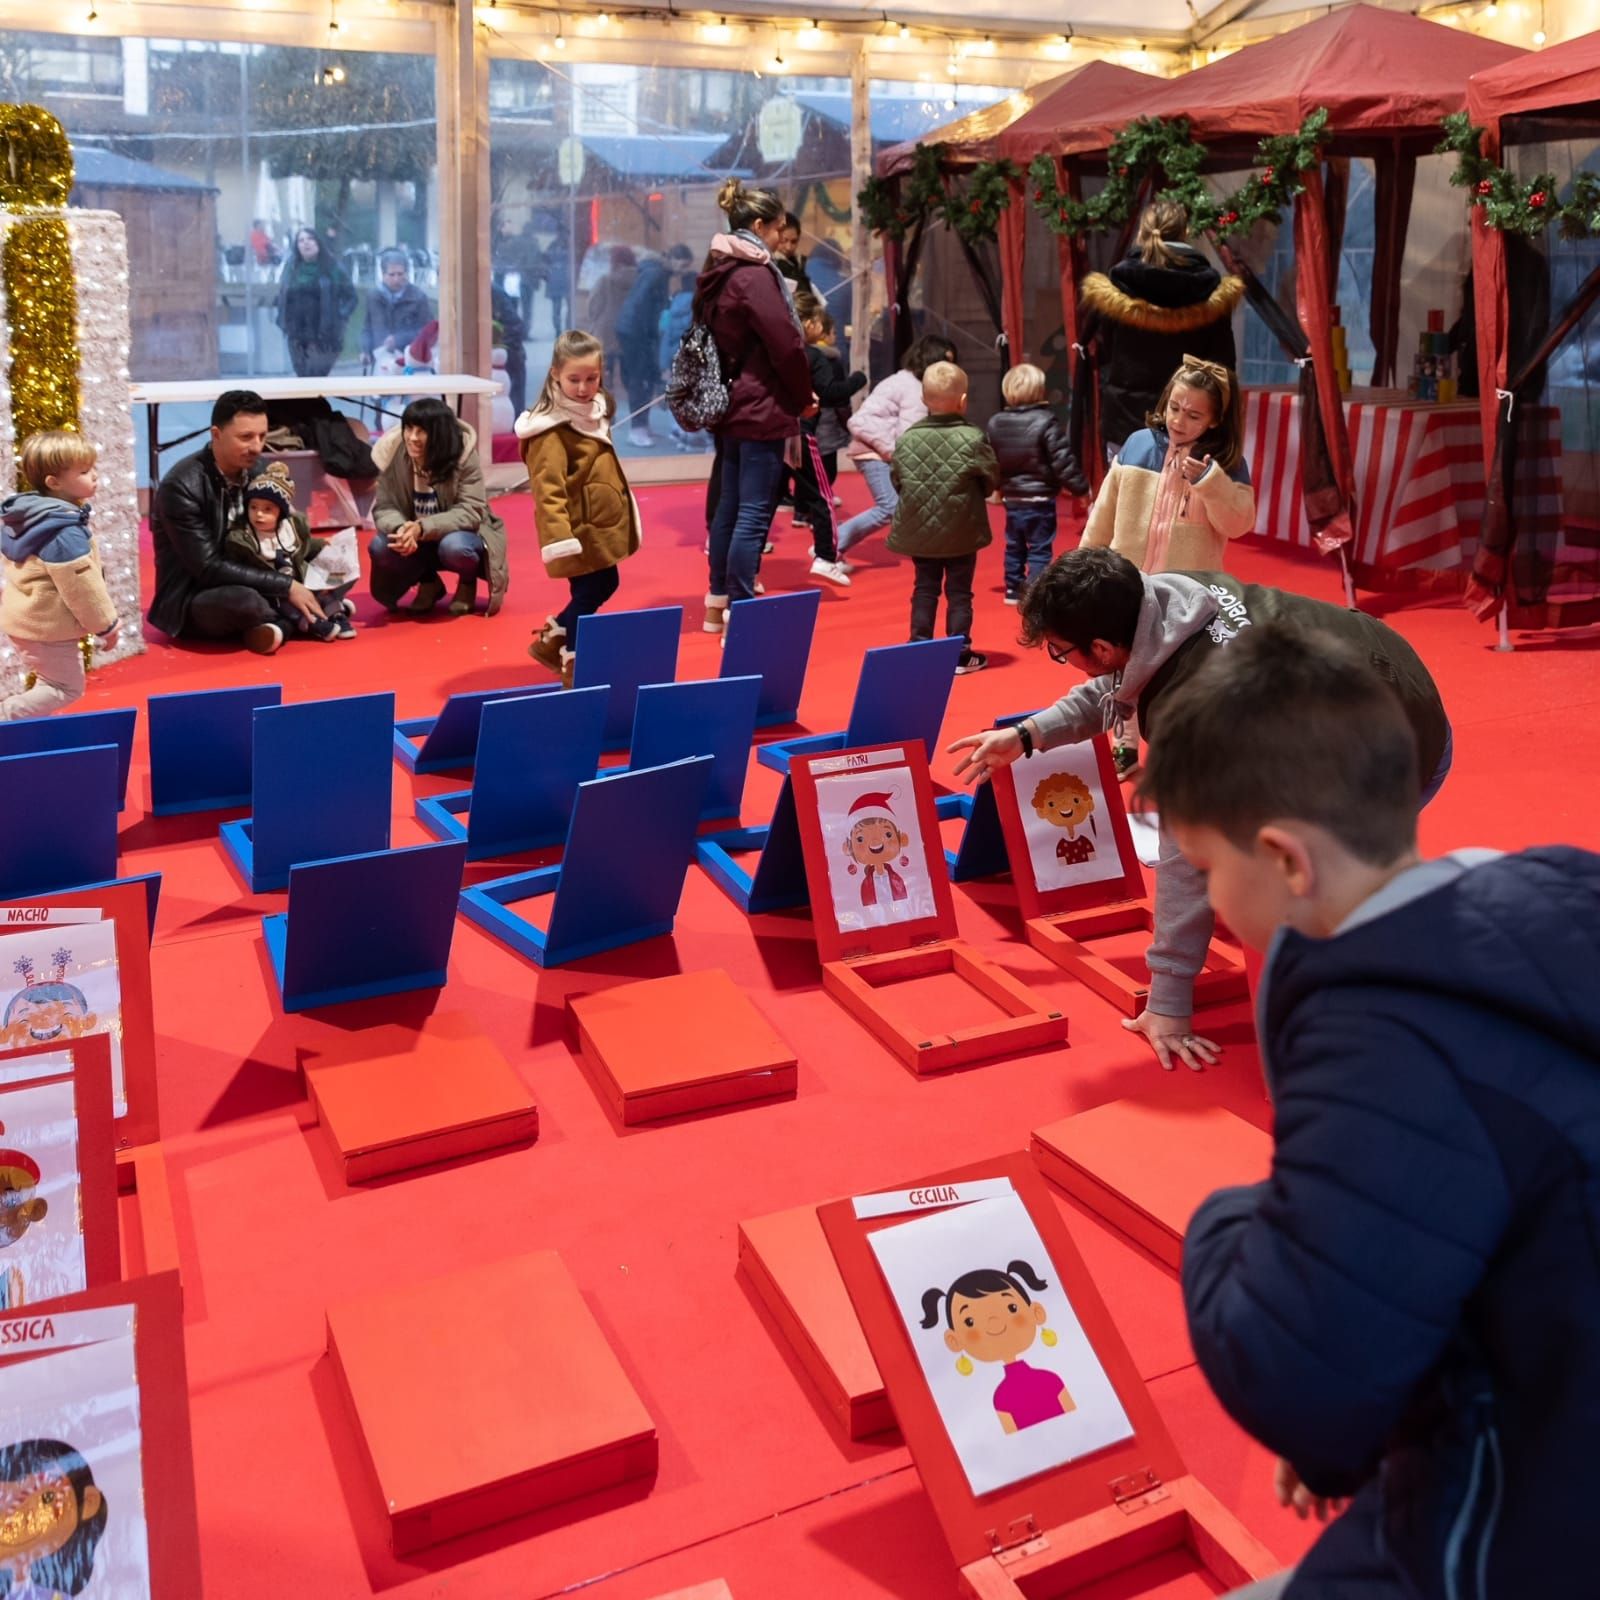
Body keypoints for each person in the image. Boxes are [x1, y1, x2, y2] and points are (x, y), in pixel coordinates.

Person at [1139, 625, 1600, 1600]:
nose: (1212, 901)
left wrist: (1226, 1217)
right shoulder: (1550, 907)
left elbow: (1299, 1377)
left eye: (1208, 869)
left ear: (1285, 859)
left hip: (1532, 1519)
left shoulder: (1382, 1031)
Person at [947, 548, 1450, 1069]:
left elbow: (1185, 859)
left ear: (1098, 645)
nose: (1061, 659)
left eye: (1059, 650)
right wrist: (1029, 734)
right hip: (1384, 669)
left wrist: (1167, 1001)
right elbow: (1121, 681)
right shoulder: (1168, 594)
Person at [694, 178, 815, 634]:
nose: (781, 240)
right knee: (752, 512)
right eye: (778, 230)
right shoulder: (753, 274)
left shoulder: (718, 267)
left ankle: (716, 604)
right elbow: (786, 345)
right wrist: (803, 398)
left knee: (728, 507)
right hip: (759, 404)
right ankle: (742, 616)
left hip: (728, 403)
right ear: (759, 225)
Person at [148, 390, 327, 653]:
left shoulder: (257, 469)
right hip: (197, 594)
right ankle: (303, 616)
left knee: (330, 561)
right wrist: (286, 585)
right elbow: (208, 568)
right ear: (216, 434)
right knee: (246, 602)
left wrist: (312, 549)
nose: (257, 446)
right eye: (246, 437)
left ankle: (281, 624)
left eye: (262, 436)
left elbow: (282, 529)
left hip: (255, 569)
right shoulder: (182, 485)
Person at [518, 330, 640, 688]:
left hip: (597, 523)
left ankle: (558, 641)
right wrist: (560, 537)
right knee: (598, 586)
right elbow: (548, 489)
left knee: (593, 589)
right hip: (575, 529)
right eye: (574, 379)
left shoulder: (591, 411)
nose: (584, 387)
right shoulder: (550, 429)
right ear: (555, 373)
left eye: (592, 378)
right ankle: (568, 653)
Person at [1080, 200, 1242, 457]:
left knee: (1129, 495)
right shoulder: (1210, 290)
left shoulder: (1118, 285)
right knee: (1180, 498)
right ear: (1185, 232)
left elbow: (1105, 352)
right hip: (1190, 423)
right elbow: (1222, 366)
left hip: (1125, 422)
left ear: (1143, 231)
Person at [1083, 356, 1254, 575]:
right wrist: (1082, 572)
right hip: (1126, 586)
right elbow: (1101, 520)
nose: (1177, 421)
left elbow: (1238, 526)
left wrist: (1211, 484)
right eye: (1174, 408)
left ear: (1215, 419)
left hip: (1188, 594)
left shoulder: (1226, 460)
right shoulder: (1137, 444)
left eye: (1193, 416)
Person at [886, 361, 997, 675]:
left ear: (923, 400)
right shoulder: (973, 438)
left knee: (924, 588)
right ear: (963, 401)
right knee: (960, 592)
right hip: (962, 529)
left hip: (920, 531)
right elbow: (990, 479)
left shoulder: (907, 439)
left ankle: (919, 646)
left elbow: (898, 479)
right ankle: (959, 653)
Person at [0, 431, 119, 719]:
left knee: (49, 681)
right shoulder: (63, 531)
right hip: (45, 626)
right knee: (65, 688)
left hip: (28, 620)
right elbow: (82, 589)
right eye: (84, 471)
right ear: (54, 482)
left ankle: (33, 733)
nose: (95, 476)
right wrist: (106, 625)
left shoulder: (34, 516)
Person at [369, 398, 508, 618]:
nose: (413, 437)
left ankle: (467, 583)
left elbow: (471, 511)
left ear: (440, 434)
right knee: (380, 545)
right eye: (409, 428)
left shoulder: (463, 455)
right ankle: (429, 582)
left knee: (455, 547)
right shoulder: (392, 455)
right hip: (415, 537)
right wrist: (402, 527)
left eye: (422, 431)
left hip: (462, 535)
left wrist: (422, 527)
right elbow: (384, 506)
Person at [838, 334, 957, 560]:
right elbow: (910, 434)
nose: (949, 368)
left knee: (901, 504)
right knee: (889, 507)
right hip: (874, 451)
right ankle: (830, 546)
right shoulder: (914, 388)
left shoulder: (906, 381)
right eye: (945, 362)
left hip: (879, 450)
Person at [985, 362, 1088, 605]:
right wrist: (1080, 489)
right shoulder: (1046, 421)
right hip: (1040, 498)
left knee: (1014, 544)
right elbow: (1063, 461)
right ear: (1040, 391)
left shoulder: (996, 423)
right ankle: (1034, 589)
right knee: (1040, 547)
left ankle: (1012, 587)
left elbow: (993, 462)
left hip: (1013, 499)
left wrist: (997, 488)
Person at [229, 461, 354, 647]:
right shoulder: (243, 539)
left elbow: (304, 546)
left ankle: (336, 613)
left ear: (281, 512)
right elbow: (238, 568)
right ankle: (312, 623)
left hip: (301, 579)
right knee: (289, 607)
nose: (259, 514)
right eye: (253, 507)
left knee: (328, 586)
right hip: (273, 591)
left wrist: (322, 544)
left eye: (267, 509)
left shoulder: (290, 529)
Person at [798, 301, 864, 586]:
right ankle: (826, 556)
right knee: (823, 495)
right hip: (805, 430)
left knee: (761, 501)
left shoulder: (778, 352)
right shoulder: (814, 356)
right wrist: (858, 380)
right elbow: (830, 393)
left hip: (776, 431)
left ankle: (745, 571)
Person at [616, 244, 692, 449]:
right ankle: (637, 428)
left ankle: (642, 425)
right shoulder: (656, 274)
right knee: (639, 378)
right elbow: (641, 305)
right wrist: (650, 333)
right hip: (637, 333)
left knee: (646, 377)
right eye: (683, 264)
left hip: (639, 332)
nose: (683, 270)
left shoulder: (657, 272)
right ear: (672, 258)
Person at [276, 227, 358, 379]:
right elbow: (282, 296)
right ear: (297, 246)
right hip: (297, 335)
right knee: (303, 380)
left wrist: (340, 317)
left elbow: (351, 297)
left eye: (310, 239)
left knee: (315, 378)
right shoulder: (291, 268)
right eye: (301, 240)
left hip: (325, 335)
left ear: (318, 243)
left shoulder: (333, 268)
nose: (306, 243)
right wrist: (283, 320)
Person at [362, 249, 433, 369]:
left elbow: (428, 331)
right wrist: (364, 350)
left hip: (409, 361)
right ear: (383, 275)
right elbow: (367, 328)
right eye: (392, 274)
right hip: (381, 361)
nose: (396, 279)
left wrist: (399, 339)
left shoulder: (418, 297)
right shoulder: (373, 297)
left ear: (406, 273)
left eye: (400, 274)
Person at [585, 246, 637, 370]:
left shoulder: (605, 280)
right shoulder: (640, 279)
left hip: (606, 328)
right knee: (626, 367)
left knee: (606, 367)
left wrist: (593, 320)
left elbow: (594, 304)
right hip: (629, 329)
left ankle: (609, 380)